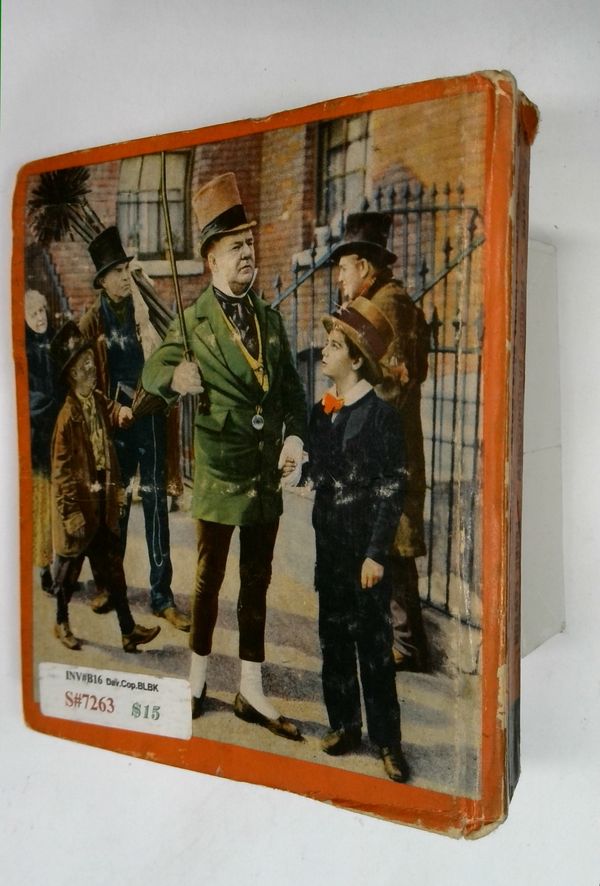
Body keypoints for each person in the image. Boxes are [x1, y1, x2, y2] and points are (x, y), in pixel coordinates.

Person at [142, 172, 308, 739]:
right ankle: (195, 681)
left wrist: (294, 439)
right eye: (236, 246)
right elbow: (153, 371)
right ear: (211, 259)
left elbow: (292, 397)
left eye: (250, 243)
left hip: (264, 472)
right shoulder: (193, 323)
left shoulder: (270, 320)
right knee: (209, 580)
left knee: (256, 582)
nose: (248, 254)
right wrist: (176, 377)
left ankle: (251, 690)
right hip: (218, 471)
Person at [307, 296, 409, 782]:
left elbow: (392, 488)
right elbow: (319, 470)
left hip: (363, 555)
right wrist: (298, 467)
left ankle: (388, 741)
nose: (323, 351)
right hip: (330, 550)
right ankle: (344, 725)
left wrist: (375, 553)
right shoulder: (323, 410)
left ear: (355, 359)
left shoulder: (382, 416)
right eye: (326, 343)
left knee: (373, 647)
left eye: (333, 345)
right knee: (333, 639)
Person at [331, 212, 430, 673]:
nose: (339, 277)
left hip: (390, 444)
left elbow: (394, 381)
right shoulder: (378, 300)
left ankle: (408, 645)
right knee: (383, 535)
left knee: (394, 538)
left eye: (344, 268)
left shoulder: (389, 304)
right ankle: (397, 636)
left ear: (365, 267)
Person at [79, 227, 190, 631]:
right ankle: (112, 586)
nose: (125, 277)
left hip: (151, 415)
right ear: (102, 281)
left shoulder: (146, 309)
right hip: (117, 426)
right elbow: (84, 381)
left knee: (156, 503)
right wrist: (114, 410)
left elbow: (170, 352)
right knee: (117, 506)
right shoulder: (92, 322)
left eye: (127, 270)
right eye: (117, 272)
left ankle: (162, 597)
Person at [49, 321, 161, 653]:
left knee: (113, 567)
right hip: (78, 507)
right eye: (84, 365)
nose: (92, 369)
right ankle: (61, 621)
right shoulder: (66, 419)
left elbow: (110, 409)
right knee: (68, 572)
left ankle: (128, 631)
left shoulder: (95, 399)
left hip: (100, 501)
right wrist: (71, 515)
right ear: (72, 375)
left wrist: (122, 412)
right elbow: (61, 474)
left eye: (91, 361)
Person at [25, 289, 60, 594]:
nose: (40, 318)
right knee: (43, 506)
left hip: (59, 436)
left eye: (42, 312)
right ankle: (44, 568)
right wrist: (51, 405)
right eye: (33, 313)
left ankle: (61, 567)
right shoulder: (23, 351)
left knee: (61, 504)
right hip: (39, 439)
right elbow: (27, 397)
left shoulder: (53, 345)